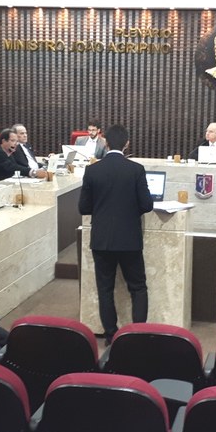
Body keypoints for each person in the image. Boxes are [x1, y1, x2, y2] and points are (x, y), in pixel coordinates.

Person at [78, 124, 154, 345]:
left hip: (101, 239)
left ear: (106, 143)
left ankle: (111, 335)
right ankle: (137, 334)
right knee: (138, 287)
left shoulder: (92, 171)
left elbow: (83, 207)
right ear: (127, 143)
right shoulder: (136, 170)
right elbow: (147, 205)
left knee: (105, 289)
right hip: (129, 239)